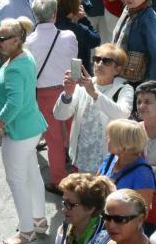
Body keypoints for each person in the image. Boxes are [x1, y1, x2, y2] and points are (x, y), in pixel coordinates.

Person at [0, 17, 48, 244]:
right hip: (31, 128)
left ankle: (26, 233)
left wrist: (0, 122)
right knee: (31, 174)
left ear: (17, 40)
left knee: (17, 180)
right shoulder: (24, 56)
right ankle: (39, 220)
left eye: (3, 38)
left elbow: (15, 103)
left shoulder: (15, 66)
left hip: (18, 131)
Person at [54, 43, 133, 174]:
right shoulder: (83, 85)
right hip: (83, 155)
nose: (99, 64)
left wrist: (95, 94)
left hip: (108, 157)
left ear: (117, 70)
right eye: (97, 59)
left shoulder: (125, 88)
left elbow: (123, 114)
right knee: (84, 192)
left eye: (106, 61)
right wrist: (67, 94)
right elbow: (60, 115)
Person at [27, 0, 77, 191]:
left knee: (53, 139)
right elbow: (74, 62)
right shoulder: (68, 36)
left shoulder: (29, 42)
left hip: (44, 94)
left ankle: (58, 180)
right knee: (74, 134)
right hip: (69, 88)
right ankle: (78, 174)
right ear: (55, 14)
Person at [111, 0, 156, 83]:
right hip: (119, 74)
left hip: (138, 80)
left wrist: (151, 84)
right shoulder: (127, 9)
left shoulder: (149, 17)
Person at [97, 119, 156, 205]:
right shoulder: (110, 157)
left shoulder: (143, 174)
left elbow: (142, 211)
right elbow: (95, 185)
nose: (107, 140)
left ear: (123, 144)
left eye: (110, 137)